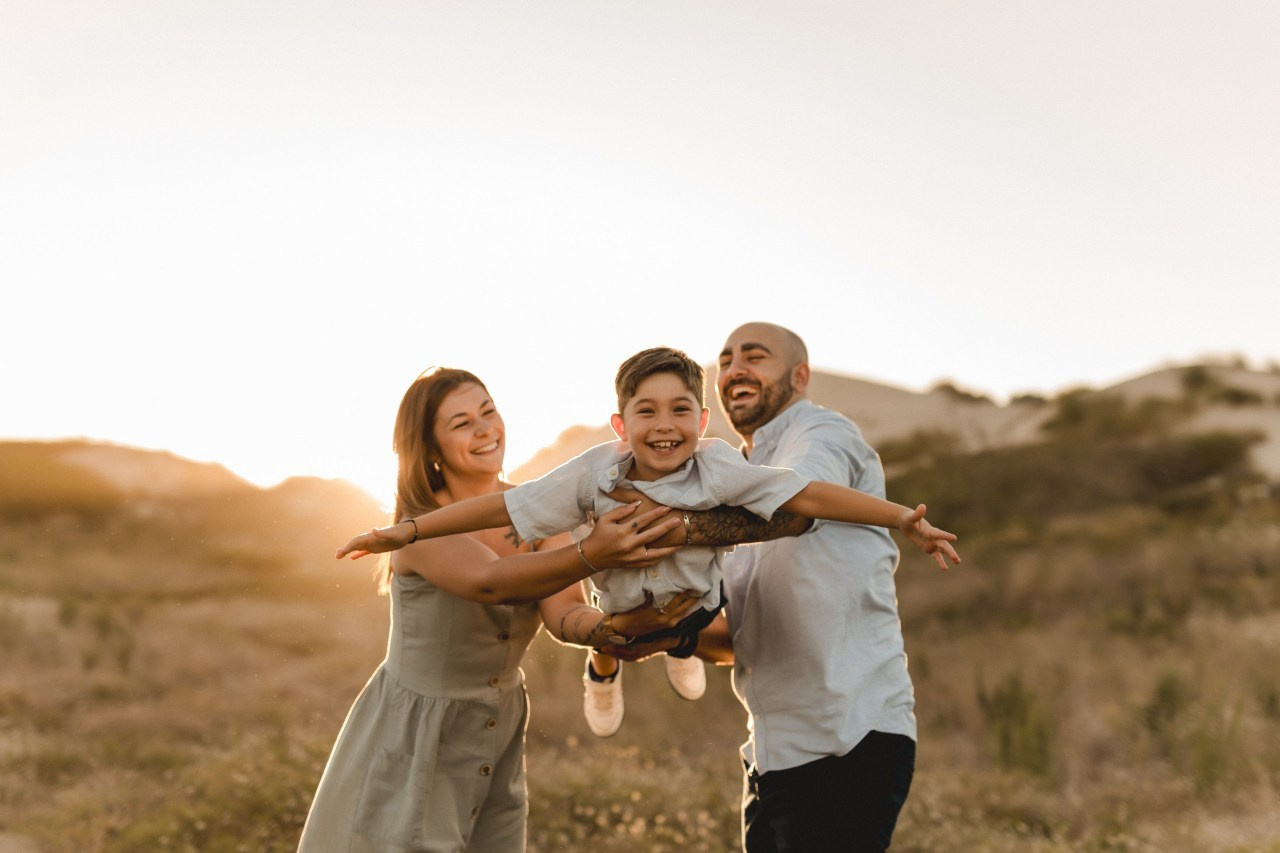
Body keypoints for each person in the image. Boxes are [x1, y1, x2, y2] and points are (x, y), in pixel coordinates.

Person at [336, 348, 960, 748]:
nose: (664, 426)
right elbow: (501, 561)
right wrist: (412, 530)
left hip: (684, 604)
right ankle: (607, 665)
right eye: (461, 423)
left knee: (703, 627)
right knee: (623, 613)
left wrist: (901, 516)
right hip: (597, 620)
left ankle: (673, 648)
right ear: (620, 426)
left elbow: (807, 498)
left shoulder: (714, 466)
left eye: (488, 412)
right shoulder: (590, 476)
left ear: (702, 420)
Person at [297, 367, 698, 853]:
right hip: (413, 735)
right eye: (462, 423)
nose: (486, 429)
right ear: (429, 448)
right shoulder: (419, 525)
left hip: (498, 730)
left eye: (488, 411)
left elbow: (565, 615)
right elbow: (491, 583)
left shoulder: (540, 508)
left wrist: (619, 628)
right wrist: (597, 551)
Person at [608, 323, 936, 852]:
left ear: (799, 376)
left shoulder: (825, 435)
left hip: (846, 743)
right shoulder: (734, 475)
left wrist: (681, 529)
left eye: (754, 357)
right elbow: (744, 638)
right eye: (726, 359)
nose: (735, 368)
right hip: (772, 758)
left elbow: (792, 505)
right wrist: (666, 636)